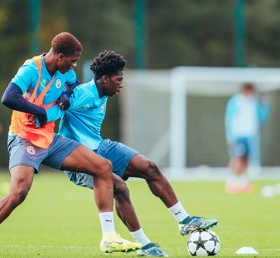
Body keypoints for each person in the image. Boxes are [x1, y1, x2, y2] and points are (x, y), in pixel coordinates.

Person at [0, 32, 139, 257]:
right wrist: (39, 112)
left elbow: (72, 84)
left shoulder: (66, 71)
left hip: (49, 138)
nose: (74, 65)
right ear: (60, 56)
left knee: (102, 167)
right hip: (24, 137)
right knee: (19, 193)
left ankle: (109, 237)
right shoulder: (31, 69)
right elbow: (8, 97)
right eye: (73, 60)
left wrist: (66, 94)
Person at [58, 50, 219, 257]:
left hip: (101, 147)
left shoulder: (103, 92)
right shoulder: (81, 94)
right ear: (105, 79)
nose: (121, 84)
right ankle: (145, 246)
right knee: (120, 188)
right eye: (119, 79)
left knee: (149, 167)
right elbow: (58, 102)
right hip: (79, 158)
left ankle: (184, 221)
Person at [224, 83, 271, 194]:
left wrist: (266, 106)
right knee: (237, 158)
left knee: (245, 160)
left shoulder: (253, 103)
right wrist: (229, 136)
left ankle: (242, 182)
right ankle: (231, 181)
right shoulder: (235, 102)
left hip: (249, 136)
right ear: (244, 90)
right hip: (237, 135)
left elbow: (261, 118)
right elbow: (229, 119)